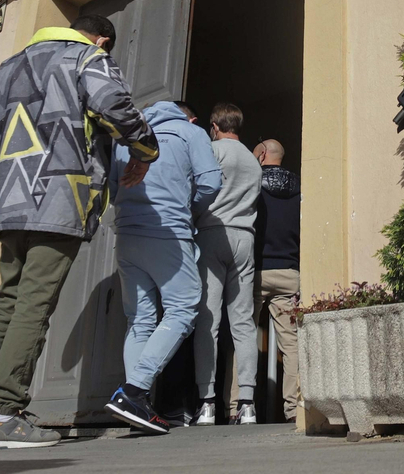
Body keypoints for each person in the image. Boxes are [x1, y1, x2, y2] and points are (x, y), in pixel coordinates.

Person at [0, 14, 159, 450]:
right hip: (61, 196)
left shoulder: (7, 67)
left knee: (7, 302)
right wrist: (145, 149)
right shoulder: (87, 57)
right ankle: (3, 415)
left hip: (11, 200)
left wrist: (19, 155)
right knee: (34, 304)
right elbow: (113, 104)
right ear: (102, 39)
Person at [102, 100, 223, 435]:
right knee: (183, 309)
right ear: (188, 114)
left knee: (140, 321)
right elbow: (211, 182)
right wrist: (188, 207)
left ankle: (136, 404)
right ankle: (134, 392)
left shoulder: (127, 137)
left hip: (127, 235)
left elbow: (112, 187)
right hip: (168, 232)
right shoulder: (189, 132)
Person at [193, 102, 263, 425]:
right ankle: (246, 402)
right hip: (244, 237)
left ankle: (207, 403)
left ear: (214, 125)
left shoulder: (211, 150)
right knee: (244, 321)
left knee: (208, 318)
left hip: (212, 232)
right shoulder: (253, 160)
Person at [251, 138, 301, 421]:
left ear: (261, 155)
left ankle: (238, 406)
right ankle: (294, 409)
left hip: (257, 272)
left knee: (243, 336)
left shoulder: (253, 184)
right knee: (291, 344)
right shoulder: (300, 187)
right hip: (289, 274)